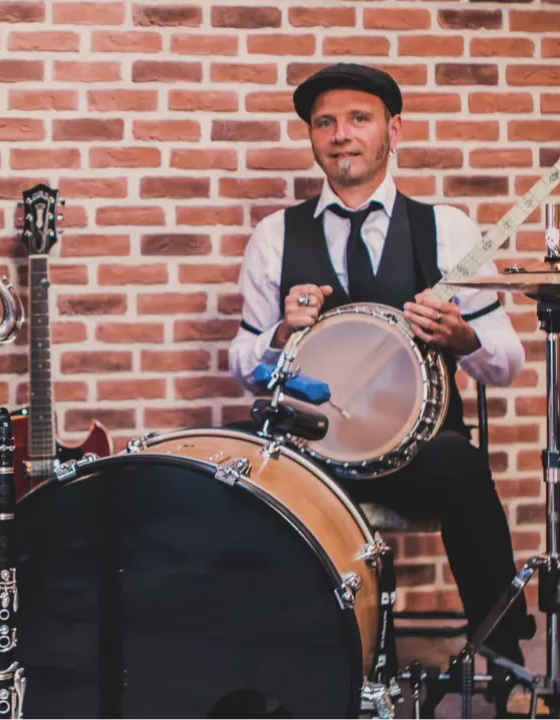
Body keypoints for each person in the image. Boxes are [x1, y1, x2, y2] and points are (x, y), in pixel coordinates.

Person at [228, 63, 535, 705]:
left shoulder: (445, 228)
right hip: (313, 452)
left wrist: (462, 337)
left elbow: (507, 361)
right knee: (236, 467)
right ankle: (276, 668)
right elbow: (243, 365)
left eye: (358, 119)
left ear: (393, 131)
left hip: (419, 453)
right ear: (313, 137)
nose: (341, 134)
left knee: (461, 463)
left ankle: (505, 657)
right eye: (325, 122)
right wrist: (281, 334)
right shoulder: (274, 237)